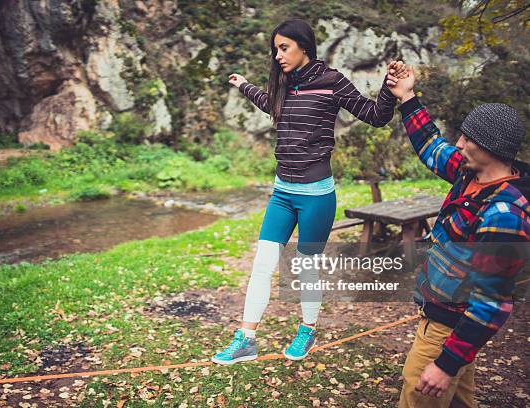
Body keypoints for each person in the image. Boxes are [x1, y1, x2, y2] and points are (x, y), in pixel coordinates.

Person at [211, 17, 408, 365]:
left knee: (306, 267)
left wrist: (388, 90)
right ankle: (246, 338)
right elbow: (267, 101)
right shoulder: (285, 85)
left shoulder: (332, 82)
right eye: (275, 50)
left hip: (316, 196)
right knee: (262, 264)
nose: (278, 56)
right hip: (282, 193)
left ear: (304, 46)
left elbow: (375, 115)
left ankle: (307, 328)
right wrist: (243, 85)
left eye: (284, 48)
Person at [385, 65, 529, 407]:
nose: (459, 143)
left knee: (418, 393)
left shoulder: (504, 214)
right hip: (443, 318)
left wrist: (446, 363)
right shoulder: (470, 174)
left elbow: (492, 302)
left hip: (450, 327)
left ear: (490, 149)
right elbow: (432, 146)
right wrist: (406, 96)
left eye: (467, 139)